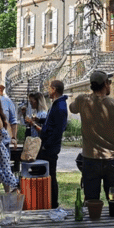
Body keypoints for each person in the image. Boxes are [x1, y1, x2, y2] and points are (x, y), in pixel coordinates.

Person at [69, 70, 114, 202]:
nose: (109, 85)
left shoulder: (82, 100)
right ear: (105, 84)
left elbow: (72, 108)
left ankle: (93, 221)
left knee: (91, 201)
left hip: (90, 159)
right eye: (109, 82)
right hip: (112, 159)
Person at [35, 80, 68, 208]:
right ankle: (44, 200)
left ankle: (53, 203)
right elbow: (52, 121)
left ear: (54, 89)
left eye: (49, 88)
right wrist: (40, 120)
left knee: (50, 175)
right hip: (48, 145)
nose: (48, 91)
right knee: (45, 173)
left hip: (50, 147)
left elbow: (59, 129)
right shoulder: (56, 104)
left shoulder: (60, 106)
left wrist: (46, 144)